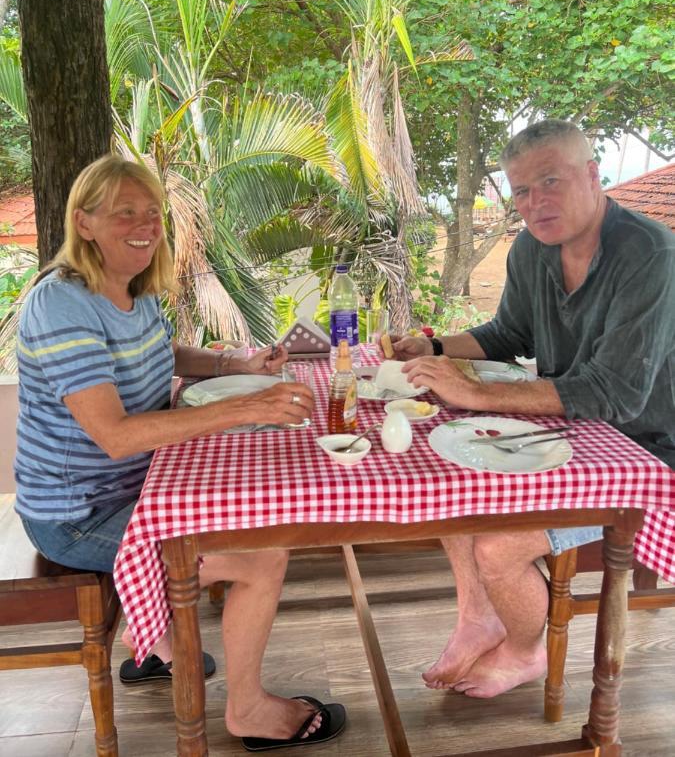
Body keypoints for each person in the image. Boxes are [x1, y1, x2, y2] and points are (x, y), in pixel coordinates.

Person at [14, 154, 346, 748]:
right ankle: (246, 710)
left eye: (152, 213)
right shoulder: (60, 302)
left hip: (139, 487)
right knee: (262, 554)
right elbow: (114, 434)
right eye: (125, 213)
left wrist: (235, 365)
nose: (144, 225)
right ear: (84, 222)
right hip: (78, 515)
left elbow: (163, 353)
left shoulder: (130, 289)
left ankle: (155, 644)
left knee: (257, 510)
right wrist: (246, 406)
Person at [390, 119, 675, 699]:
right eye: (521, 190)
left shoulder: (650, 254)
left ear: (594, 176)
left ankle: (526, 652)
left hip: (645, 459)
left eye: (550, 181)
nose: (534, 202)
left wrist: (477, 393)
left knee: (499, 546)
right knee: (452, 485)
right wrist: (436, 347)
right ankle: (480, 619)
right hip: (568, 439)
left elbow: (614, 392)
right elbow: (509, 332)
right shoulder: (532, 247)